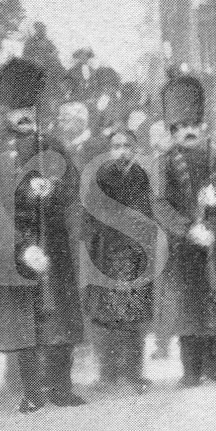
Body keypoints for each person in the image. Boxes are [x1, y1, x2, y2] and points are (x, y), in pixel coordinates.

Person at [0, 56, 88, 413]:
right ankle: (32, 391)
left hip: (52, 240)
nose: (24, 115)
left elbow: (72, 189)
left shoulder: (52, 145)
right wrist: (20, 242)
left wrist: (51, 187)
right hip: (13, 242)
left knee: (58, 315)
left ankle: (61, 388)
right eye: (17, 109)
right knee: (23, 317)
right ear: (6, 112)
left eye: (30, 107)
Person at [153, 74, 216, 388]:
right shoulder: (165, 163)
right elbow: (159, 205)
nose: (189, 131)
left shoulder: (213, 158)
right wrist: (188, 230)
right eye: (182, 126)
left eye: (194, 124)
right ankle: (191, 369)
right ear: (173, 131)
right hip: (182, 248)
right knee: (188, 307)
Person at [81, 126, 156, 392]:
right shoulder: (100, 175)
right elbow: (89, 213)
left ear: (135, 150)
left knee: (133, 313)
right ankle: (108, 373)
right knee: (107, 314)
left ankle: (134, 372)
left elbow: (146, 212)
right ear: (109, 150)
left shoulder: (140, 175)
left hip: (134, 254)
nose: (121, 151)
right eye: (116, 146)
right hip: (107, 253)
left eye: (127, 146)